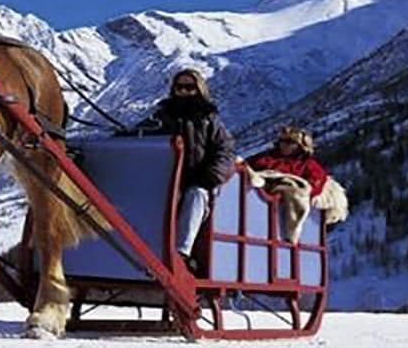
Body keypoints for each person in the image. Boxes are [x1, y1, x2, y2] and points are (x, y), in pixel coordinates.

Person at [133, 68, 235, 272]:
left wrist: (210, 176)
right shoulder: (161, 117)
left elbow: (225, 150)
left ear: (199, 89)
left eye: (189, 87)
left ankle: (180, 253)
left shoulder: (209, 119)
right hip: (164, 179)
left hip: (196, 180)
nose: (184, 92)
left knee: (195, 196)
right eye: (180, 87)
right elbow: (137, 134)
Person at [246, 126, 328, 200]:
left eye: (289, 142)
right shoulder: (266, 158)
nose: (284, 144)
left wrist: (293, 189)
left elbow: (314, 184)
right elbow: (246, 167)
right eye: (282, 141)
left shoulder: (308, 164)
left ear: (301, 146)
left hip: (286, 200)